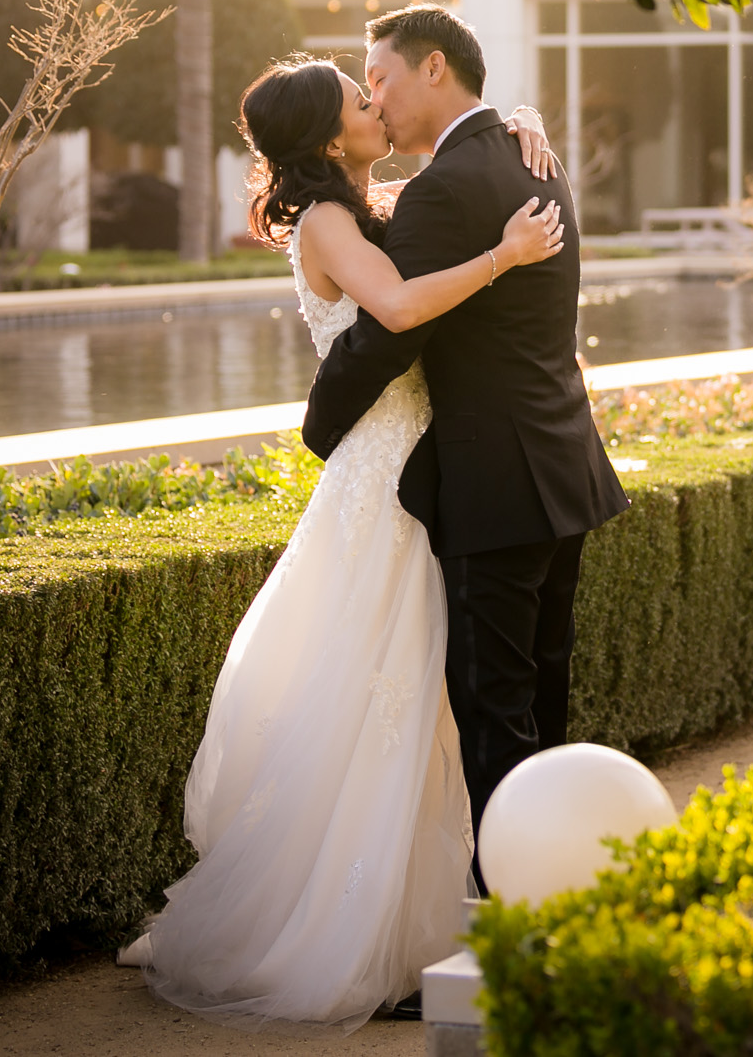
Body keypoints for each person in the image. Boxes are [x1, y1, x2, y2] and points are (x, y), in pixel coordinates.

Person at [119, 56, 565, 1030]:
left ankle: (411, 927)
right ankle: (354, 946)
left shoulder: (368, 200)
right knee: (386, 699)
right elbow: (399, 309)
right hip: (384, 470)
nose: (379, 106)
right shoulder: (327, 223)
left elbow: (457, 164)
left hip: (411, 458)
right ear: (329, 136)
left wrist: (518, 121)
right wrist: (504, 259)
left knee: (417, 698)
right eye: (362, 102)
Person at [301, 4, 628, 882]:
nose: (375, 98)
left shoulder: (448, 186)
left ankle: (508, 921)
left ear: (434, 67)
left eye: (380, 79)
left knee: (492, 714)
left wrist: (321, 422)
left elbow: (385, 332)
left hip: (497, 485)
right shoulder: (533, 159)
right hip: (564, 469)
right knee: (540, 704)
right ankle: (557, 891)